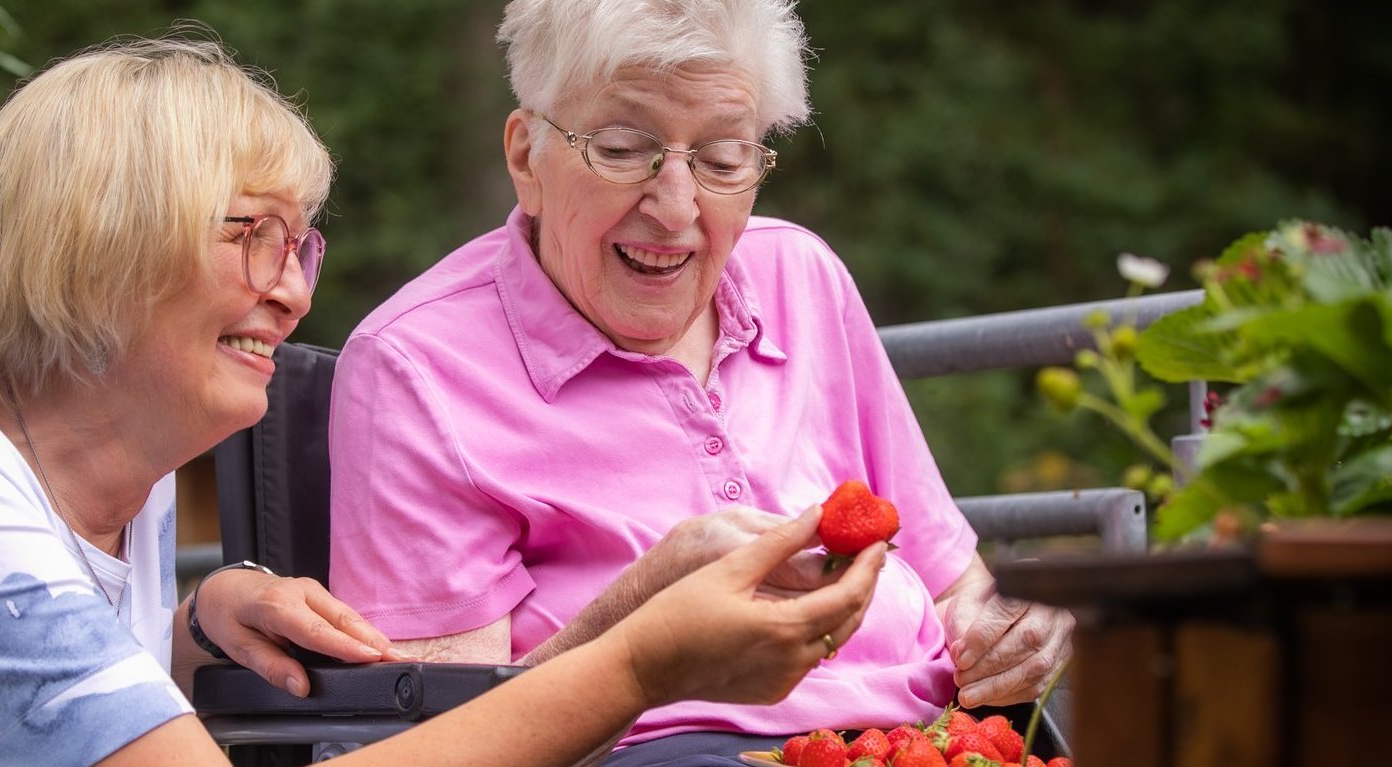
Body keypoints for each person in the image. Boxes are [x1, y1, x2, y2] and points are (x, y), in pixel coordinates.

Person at [0, 33, 889, 767]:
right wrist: (645, 661)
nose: (291, 294)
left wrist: (185, 622)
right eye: (252, 236)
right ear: (99, 247)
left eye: (304, 246)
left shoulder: (79, 492)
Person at [326, 0, 1075, 763]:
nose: (677, 207)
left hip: (929, 742)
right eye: (622, 148)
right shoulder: (416, 365)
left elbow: (957, 589)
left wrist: (1013, 629)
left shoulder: (802, 275)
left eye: (722, 160)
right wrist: (649, 601)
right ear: (527, 158)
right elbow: (446, 746)